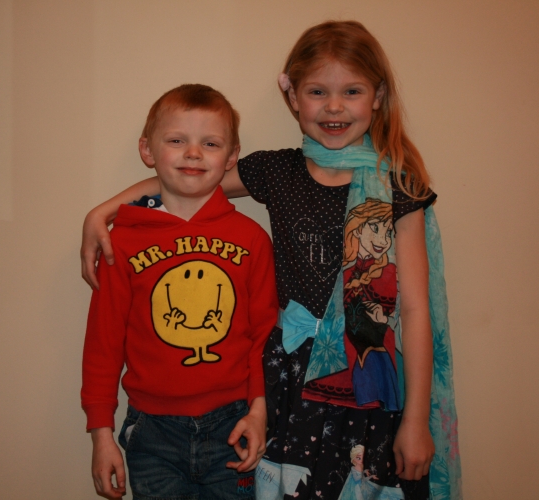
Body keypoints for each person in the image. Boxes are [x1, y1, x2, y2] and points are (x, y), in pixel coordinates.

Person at [81, 21, 460, 500]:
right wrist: (105, 211)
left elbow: (414, 311)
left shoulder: (398, 187)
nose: (335, 106)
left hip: (365, 382)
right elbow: (192, 178)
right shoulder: (278, 170)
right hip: (287, 383)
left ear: (378, 96)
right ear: (293, 97)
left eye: (352, 91)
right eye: (318, 91)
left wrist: (416, 420)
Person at [81, 84, 279, 500]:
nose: (193, 153)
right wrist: (101, 434)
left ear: (231, 156)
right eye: (176, 141)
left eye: (210, 143)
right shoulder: (123, 242)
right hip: (152, 431)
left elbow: (263, 335)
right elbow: (103, 341)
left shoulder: (252, 239)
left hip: (234, 424)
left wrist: (260, 411)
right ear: (147, 150)